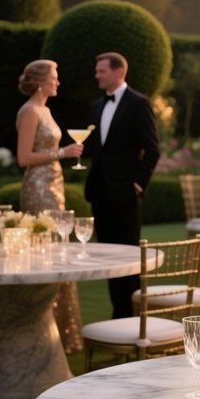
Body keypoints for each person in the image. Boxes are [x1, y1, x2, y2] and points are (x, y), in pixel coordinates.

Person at [84, 52, 160, 319]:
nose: (97, 75)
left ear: (118, 72)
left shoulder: (139, 104)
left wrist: (138, 185)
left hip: (126, 193)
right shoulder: (96, 106)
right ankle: (118, 314)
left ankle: (131, 317)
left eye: (101, 70)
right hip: (100, 192)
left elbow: (152, 150)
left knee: (129, 258)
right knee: (107, 257)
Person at [15, 59, 84, 352]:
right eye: (54, 77)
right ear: (41, 81)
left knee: (60, 251)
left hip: (54, 187)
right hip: (39, 188)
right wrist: (64, 152)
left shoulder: (46, 110)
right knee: (47, 254)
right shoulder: (30, 111)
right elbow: (23, 158)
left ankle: (62, 334)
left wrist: (62, 155)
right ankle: (42, 330)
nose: (58, 82)